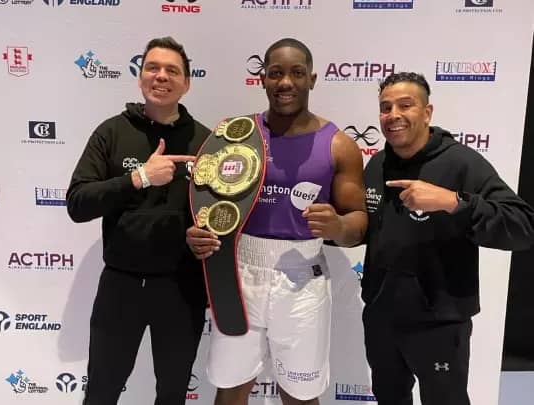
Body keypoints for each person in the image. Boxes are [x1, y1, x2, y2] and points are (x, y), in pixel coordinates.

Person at [186, 38, 368, 405]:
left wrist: (338, 228)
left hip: (302, 276)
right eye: (276, 73)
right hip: (239, 272)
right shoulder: (235, 136)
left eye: (297, 73)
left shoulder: (338, 144)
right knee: (230, 387)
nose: (286, 82)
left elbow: (358, 223)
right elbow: (209, 205)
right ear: (263, 79)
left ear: (312, 79)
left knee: (301, 394)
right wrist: (198, 233)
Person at [361, 71, 534, 405]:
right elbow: (368, 231)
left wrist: (453, 202)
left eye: (405, 105)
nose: (393, 114)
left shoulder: (461, 163)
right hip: (381, 319)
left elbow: (523, 226)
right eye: (385, 107)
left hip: (439, 324)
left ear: (427, 113)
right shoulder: (377, 165)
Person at [66, 36, 210, 405]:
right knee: (101, 391)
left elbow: (222, 213)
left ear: (187, 82)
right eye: (153, 68)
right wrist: (139, 178)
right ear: (140, 76)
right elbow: (78, 203)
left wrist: (205, 234)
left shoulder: (206, 142)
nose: (161, 76)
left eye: (172, 70)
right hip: (121, 286)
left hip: (182, 288)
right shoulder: (111, 132)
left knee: (173, 393)